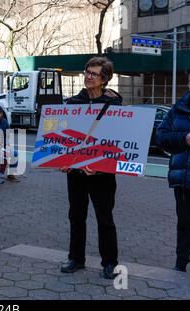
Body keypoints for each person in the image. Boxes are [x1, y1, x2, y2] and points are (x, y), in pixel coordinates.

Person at [60, 56, 123, 279]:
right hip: (76, 172)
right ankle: (76, 258)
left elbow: (115, 140)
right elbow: (65, 137)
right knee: (76, 216)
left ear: (104, 79)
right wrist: (63, 161)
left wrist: (99, 166)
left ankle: (109, 263)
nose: (88, 77)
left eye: (93, 74)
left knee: (104, 218)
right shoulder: (74, 103)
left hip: (102, 174)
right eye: (87, 72)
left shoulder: (114, 105)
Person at [156, 68, 190, 272]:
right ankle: (181, 263)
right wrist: (184, 138)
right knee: (186, 223)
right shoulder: (177, 110)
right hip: (185, 178)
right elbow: (161, 136)